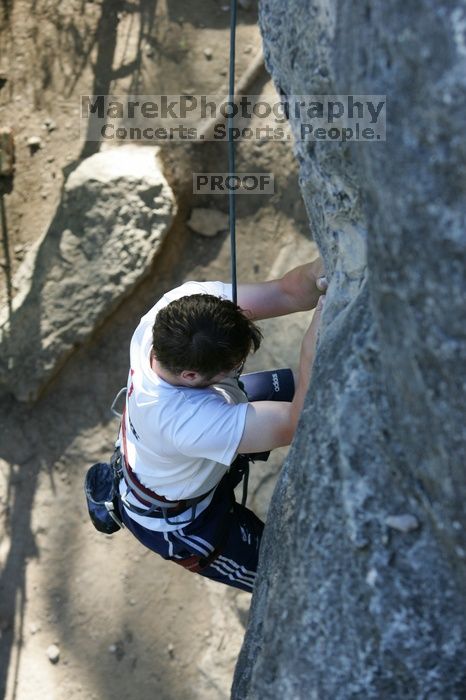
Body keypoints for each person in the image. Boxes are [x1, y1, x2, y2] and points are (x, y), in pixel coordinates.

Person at [116, 259, 327, 592]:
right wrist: (313, 345)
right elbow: (297, 422)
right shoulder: (185, 422)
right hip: (182, 519)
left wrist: (324, 272)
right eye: (232, 367)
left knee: (291, 390)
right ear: (190, 376)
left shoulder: (183, 309)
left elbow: (285, 292)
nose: (239, 367)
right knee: (287, 579)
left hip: (170, 451)